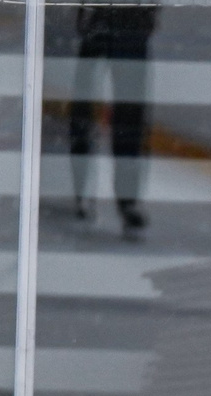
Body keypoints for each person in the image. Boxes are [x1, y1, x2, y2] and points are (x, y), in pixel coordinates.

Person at [67, 3, 157, 236]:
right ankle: (87, 192)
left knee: (124, 115)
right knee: (92, 110)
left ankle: (121, 199)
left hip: (123, 21)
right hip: (109, 20)